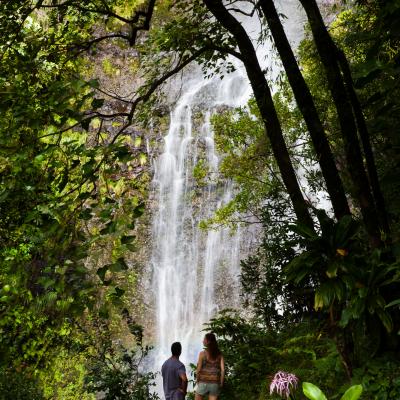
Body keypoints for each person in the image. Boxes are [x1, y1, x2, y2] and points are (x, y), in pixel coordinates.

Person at [195, 333, 225, 400]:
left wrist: (197, 380)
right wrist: (221, 383)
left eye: (204, 339)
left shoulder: (202, 354)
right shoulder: (219, 354)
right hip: (215, 383)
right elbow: (223, 370)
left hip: (203, 382)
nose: (202, 341)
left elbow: (198, 370)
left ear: (207, 341)